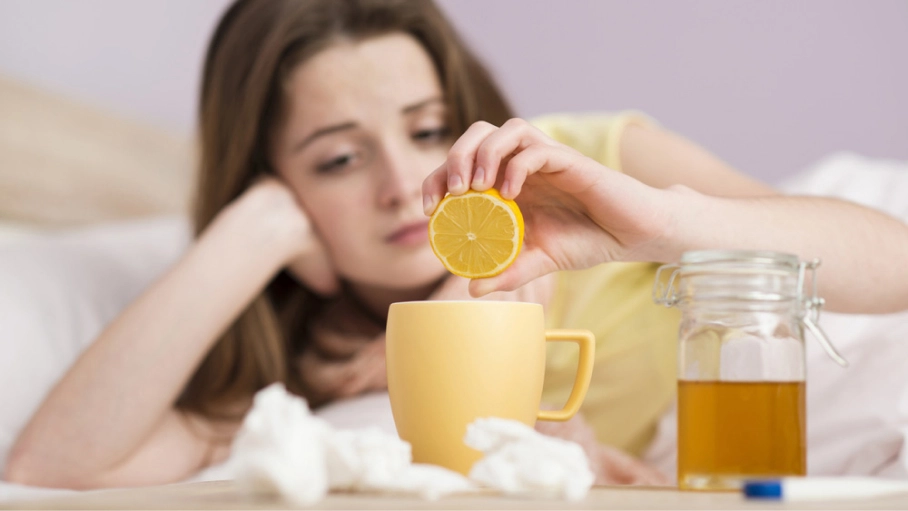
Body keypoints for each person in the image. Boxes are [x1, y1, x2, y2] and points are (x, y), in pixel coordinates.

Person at [6, 0, 908, 490]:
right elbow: (51, 468)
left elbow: (892, 264)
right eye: (338, 159)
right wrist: (254, 228)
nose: (402, 185)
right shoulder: (308, 356)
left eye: (428, 128)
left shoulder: (583, 169)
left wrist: (662, 224)